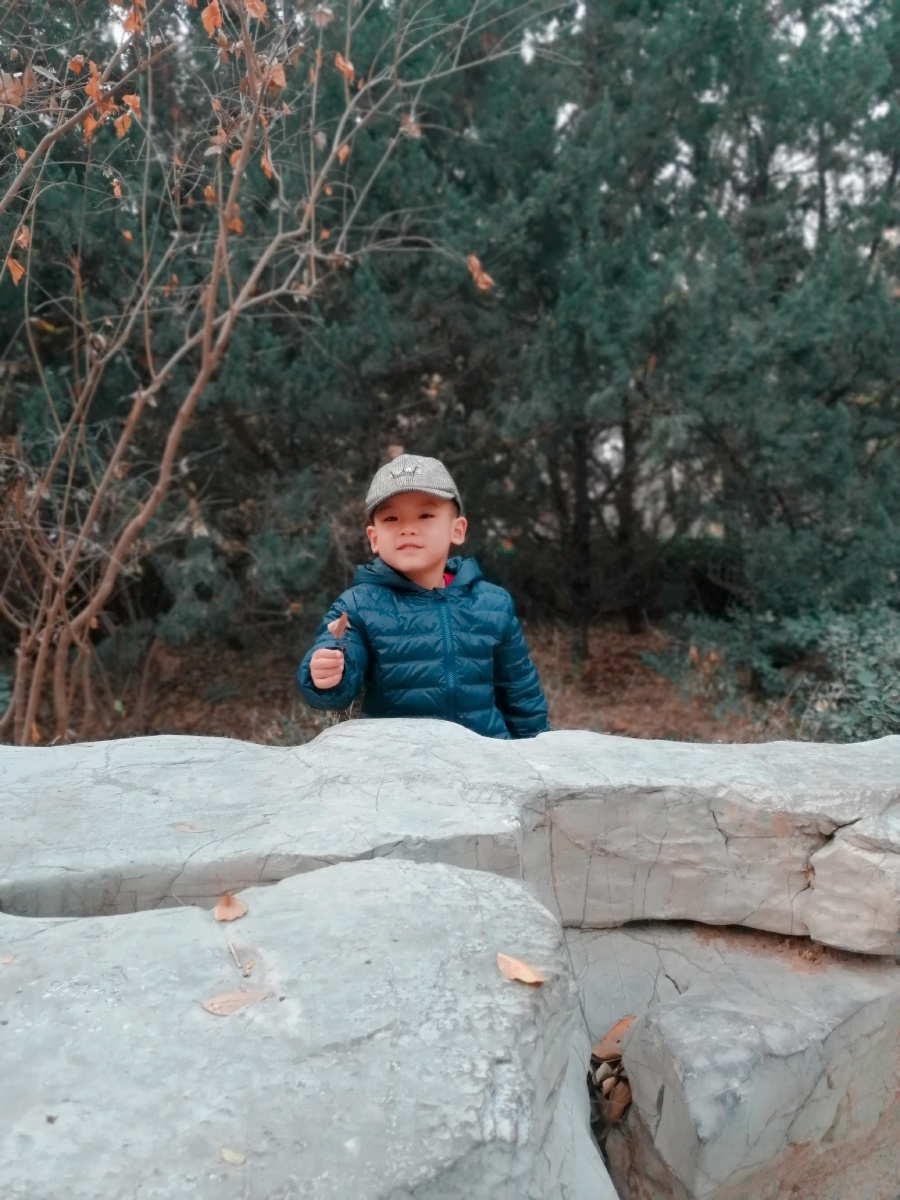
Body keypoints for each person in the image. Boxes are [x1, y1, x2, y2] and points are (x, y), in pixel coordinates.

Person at [296, 454, 549, 739]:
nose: (407, 528)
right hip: (398, 759)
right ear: (374, 538)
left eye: (425, 515)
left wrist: (537, 751)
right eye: (391, 518)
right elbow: (336, 639)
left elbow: (520, 694)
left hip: (486, 755)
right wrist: (326, 672)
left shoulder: (492, 604)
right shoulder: (357, 605)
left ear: (457, 530)